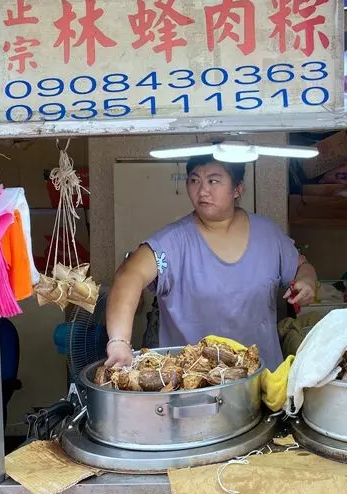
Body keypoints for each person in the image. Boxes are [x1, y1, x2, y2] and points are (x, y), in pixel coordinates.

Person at [103, 155, 317, 371]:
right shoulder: (172, 243)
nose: (202, 191)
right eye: (194, 180)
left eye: (213, 181)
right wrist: (119, 341)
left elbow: (302, 266)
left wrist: (306, 282)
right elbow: (129, 276)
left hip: (262, 383)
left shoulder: (267, 234)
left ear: (237, 189)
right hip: (194, 389)